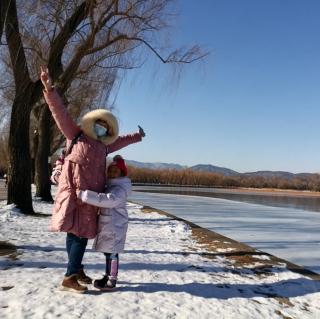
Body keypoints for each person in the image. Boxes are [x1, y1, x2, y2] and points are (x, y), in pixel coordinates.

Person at [40, 67, 145, 293]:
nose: (102, 128)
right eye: (100, 123)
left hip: (91, 198)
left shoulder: (104, 146)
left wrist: (137, 137)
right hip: (74, 195)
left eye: (106, 126)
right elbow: (60, 112)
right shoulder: (75, 135)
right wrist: (49, 90)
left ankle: (75, 269)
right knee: (77, 235)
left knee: (79, 235)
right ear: (92, 123)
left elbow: (123, 140)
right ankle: (69, 277)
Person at [78, 155, 131, 291]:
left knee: (113, 252)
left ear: (122, 173)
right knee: (109, 252)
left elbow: (108, 200)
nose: (112, 173)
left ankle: (112, 279)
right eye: (110, 170)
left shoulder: (119, 190)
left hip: (115, 226)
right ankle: (108, 276)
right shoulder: (112, 186)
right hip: (110, 225)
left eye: (115, 171)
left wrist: (85, 195)